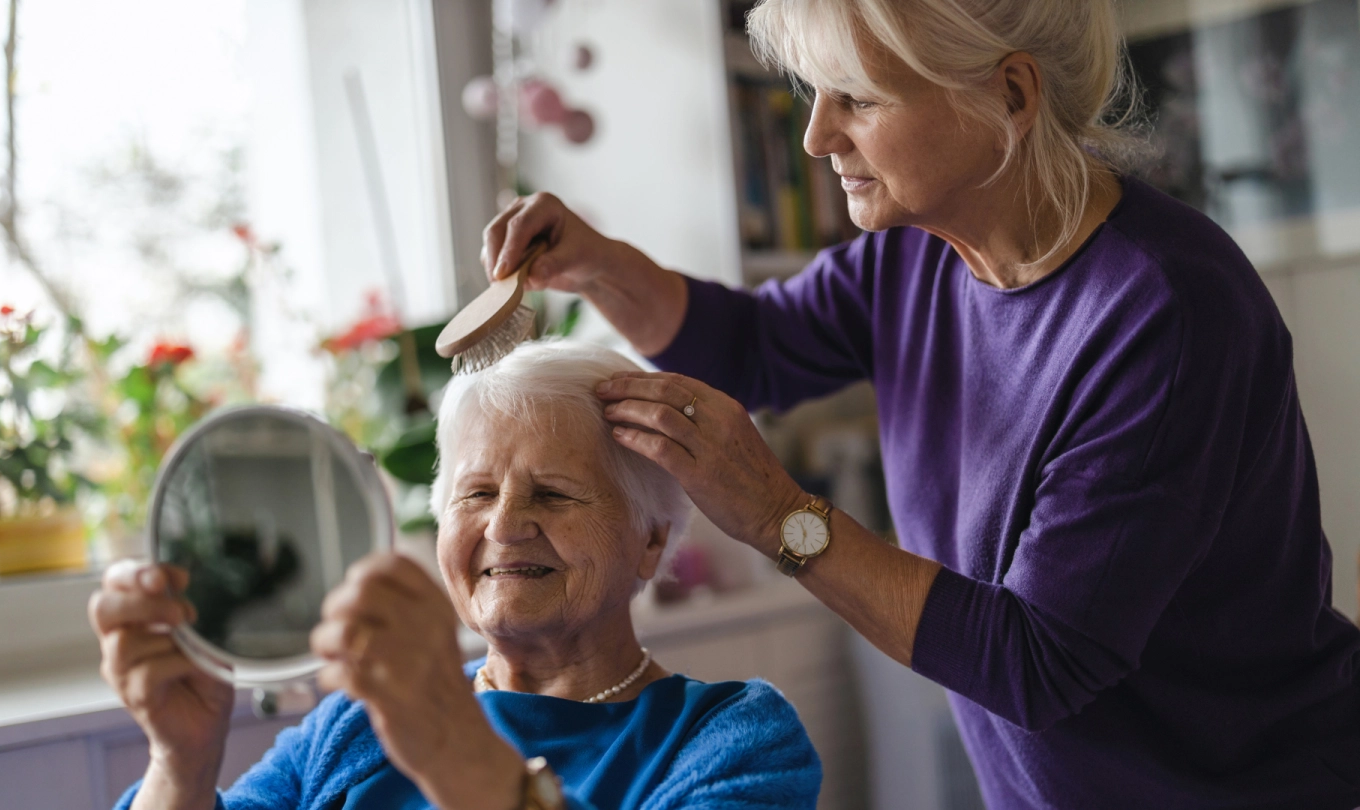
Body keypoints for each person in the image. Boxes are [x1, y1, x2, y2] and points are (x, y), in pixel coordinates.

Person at [482, 1, 1360, 807]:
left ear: (1011, 93)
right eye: (814, 95)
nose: (818, 137)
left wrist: (776, 514)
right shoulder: (917, 254)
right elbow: (752, 348)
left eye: (857, 98)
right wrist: (598, 263)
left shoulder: (1165, 312)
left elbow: (1038, 663)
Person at [89, 341, 821, 810]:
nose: (503, 526)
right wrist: (180, 764)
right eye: (474, 495)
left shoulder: (732, 739)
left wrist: (452, 750)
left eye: (554, 493)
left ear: (651, 542)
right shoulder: (352, 724)